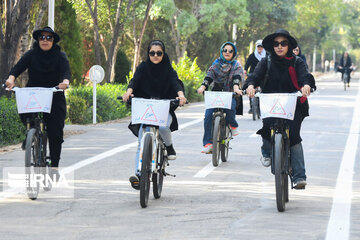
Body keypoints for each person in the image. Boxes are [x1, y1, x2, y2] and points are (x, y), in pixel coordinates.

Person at [244, 29, 315, 189]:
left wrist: (306, 85)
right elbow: (254, 77)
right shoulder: (266, 61)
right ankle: (267, 151)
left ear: (288, 45)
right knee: (267, 126)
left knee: (294, 136)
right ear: (272, 46)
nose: (279, 46)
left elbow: (305, 76)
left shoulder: (297, 62)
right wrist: (250, 86)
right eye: (276, 44)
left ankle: (299, 177)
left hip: (294, 104)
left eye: (283, 43)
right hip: (271, 103)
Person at [122, 40, 186, 190]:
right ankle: (139, 174)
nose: (155, 55)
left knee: (163, 128)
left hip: (164, 109)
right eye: (152, 53)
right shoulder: (143, 67)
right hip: (145, 110)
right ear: (148, 54)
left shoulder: (168, 70)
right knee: (141, 139)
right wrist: (128, 93)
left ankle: (169, 147)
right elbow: (134, 81)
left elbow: (175, 83)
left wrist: (181, 96)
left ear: (163, 54)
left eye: (159, 53)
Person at [5, 26, 70, 172]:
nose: (45, 40)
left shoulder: (60, 56)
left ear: (53, 41)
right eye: (42, 37)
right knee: (24, 111)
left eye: (49, 38)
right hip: (34, 93)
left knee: (55, 134)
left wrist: (65, 83)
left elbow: (66, 72)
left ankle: (54, 167)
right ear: (38, 40)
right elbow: (16, 69)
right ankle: (31, 135)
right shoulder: (31, 54)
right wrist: (11, 79)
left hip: (54, 94)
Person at [197, 42, 243, 153]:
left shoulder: (236, 65)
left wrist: (236, 88)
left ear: (234, 53)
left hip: (230, 93)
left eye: (230, 51)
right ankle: (208, 143)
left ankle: (233, 124)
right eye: (225, 50)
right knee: (208, 115)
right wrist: (203, 87)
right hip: (215, 94)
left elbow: (237, 77)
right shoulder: (216, 63)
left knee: (231, 108)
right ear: (222, 52)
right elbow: (210, 75)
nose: (227, 52)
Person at [244, 40, 266, 113]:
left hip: (263, 75)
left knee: (264, 91)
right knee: (250, 88)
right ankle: (251, 107)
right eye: (258, 46)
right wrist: (245, 71)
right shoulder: (252, 55)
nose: (260, 48)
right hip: (253, 74)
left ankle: (261, 107)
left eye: (261, 46)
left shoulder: (267, 55)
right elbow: (247, 65)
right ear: (256, 47)